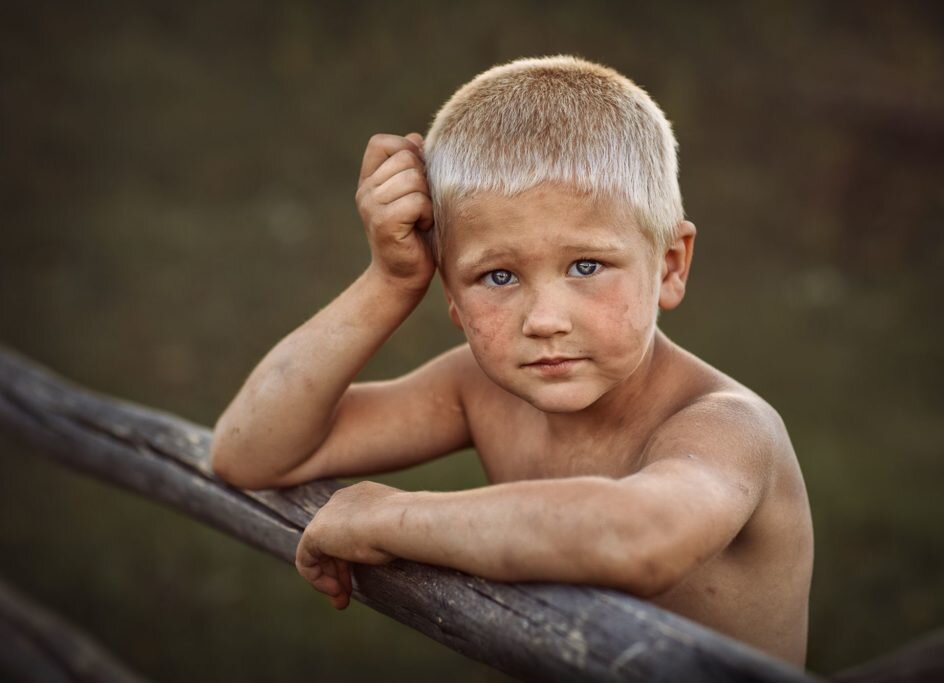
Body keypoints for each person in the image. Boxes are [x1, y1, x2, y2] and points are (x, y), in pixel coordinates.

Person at [210, 55, 813, 667]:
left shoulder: (727, 425)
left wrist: (387, 515)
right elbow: (248, 449)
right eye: (497, 275)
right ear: (450, 292)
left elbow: (640, 538)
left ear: (671, 264)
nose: (544, 319)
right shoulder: (480, 389)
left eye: (586, 267)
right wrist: (389, 281)